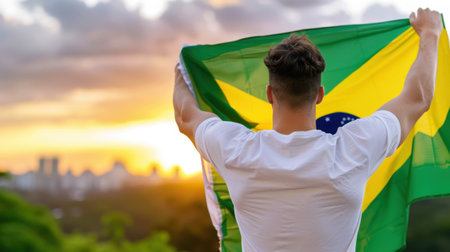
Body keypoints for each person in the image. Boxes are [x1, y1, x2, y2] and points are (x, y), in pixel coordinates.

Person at [173, 8, 443, 252]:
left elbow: (186, 116)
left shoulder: (237, 150)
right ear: (320, 95)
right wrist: (430, 33)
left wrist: (182, 68)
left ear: (269, 94)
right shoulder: (352, 150)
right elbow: (417, 97)